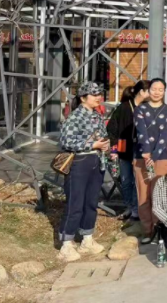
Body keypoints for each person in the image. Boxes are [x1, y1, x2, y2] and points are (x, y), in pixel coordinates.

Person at [57, 82, 111, 262]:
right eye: (94, 94)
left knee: (91, 202)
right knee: (75, 202)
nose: (98, 97)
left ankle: (87, 238)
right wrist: (92, 144)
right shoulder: (75, 117)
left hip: (96, 161)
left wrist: (105, 145)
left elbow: (103, 136)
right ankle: (66, 243)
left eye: (99, 94)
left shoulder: (97, 115)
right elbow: (66, 141)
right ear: (83, 98)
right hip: (79, 162)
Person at [133, 78, 167, 244]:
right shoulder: (140, 109)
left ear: (165, 91)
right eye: (153, 89)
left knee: (159, 194)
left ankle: (160, 229)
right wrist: (146, 153)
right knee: (143, 195)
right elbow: (141, 132)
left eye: (160, 89)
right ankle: (147, 230)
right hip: (141, 157)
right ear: (148, 91)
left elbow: (166, 134)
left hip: (162, 157)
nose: (157, 92)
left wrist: (154, 156)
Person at [107, 80, 150, 223]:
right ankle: (129, 207)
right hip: (124, 150)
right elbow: (112, 128)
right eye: (150, 90)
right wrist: (114, 148)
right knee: (126, 181)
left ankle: (137, 210)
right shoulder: (124, 108)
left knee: (138, 181)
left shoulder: (148, 108)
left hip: (141, 151)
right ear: (142, 92)